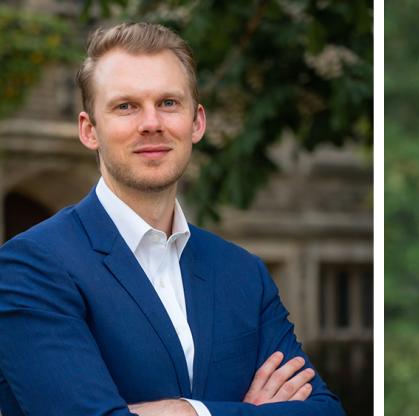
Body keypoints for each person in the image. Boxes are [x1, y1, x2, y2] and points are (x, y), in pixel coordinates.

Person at [0, 23, 344, 416]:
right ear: (89, 130)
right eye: (125, 106)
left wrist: (188, 411)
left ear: (197, 122)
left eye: (168, 103)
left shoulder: (243, 273)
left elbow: (325, 411)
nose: (151, 123)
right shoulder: (31, 267)